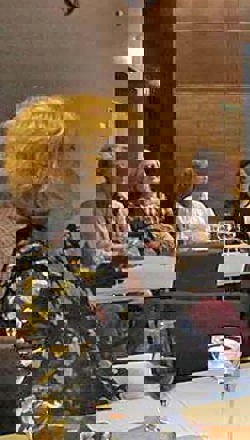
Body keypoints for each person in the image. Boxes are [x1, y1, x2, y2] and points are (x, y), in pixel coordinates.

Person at [0, 96, 123, 439]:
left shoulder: (62, 256)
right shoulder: (36, 275)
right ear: (53, 172)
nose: (99, 177)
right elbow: (42, 407)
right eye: (86, 163)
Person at [126, 149, 176, 255]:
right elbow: (130, 230)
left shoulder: (161, 197)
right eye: (148, 169)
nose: (154, 173)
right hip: (144, 250)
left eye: (156, 169)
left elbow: (173, 225)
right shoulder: (129, 200)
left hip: (167, 249)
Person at [174, 167, 216, 244]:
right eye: (181, 183)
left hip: (207, 247)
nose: (184, 186)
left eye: (188, 184)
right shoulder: (172, 210)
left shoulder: (200, 206)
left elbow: (215, 229)